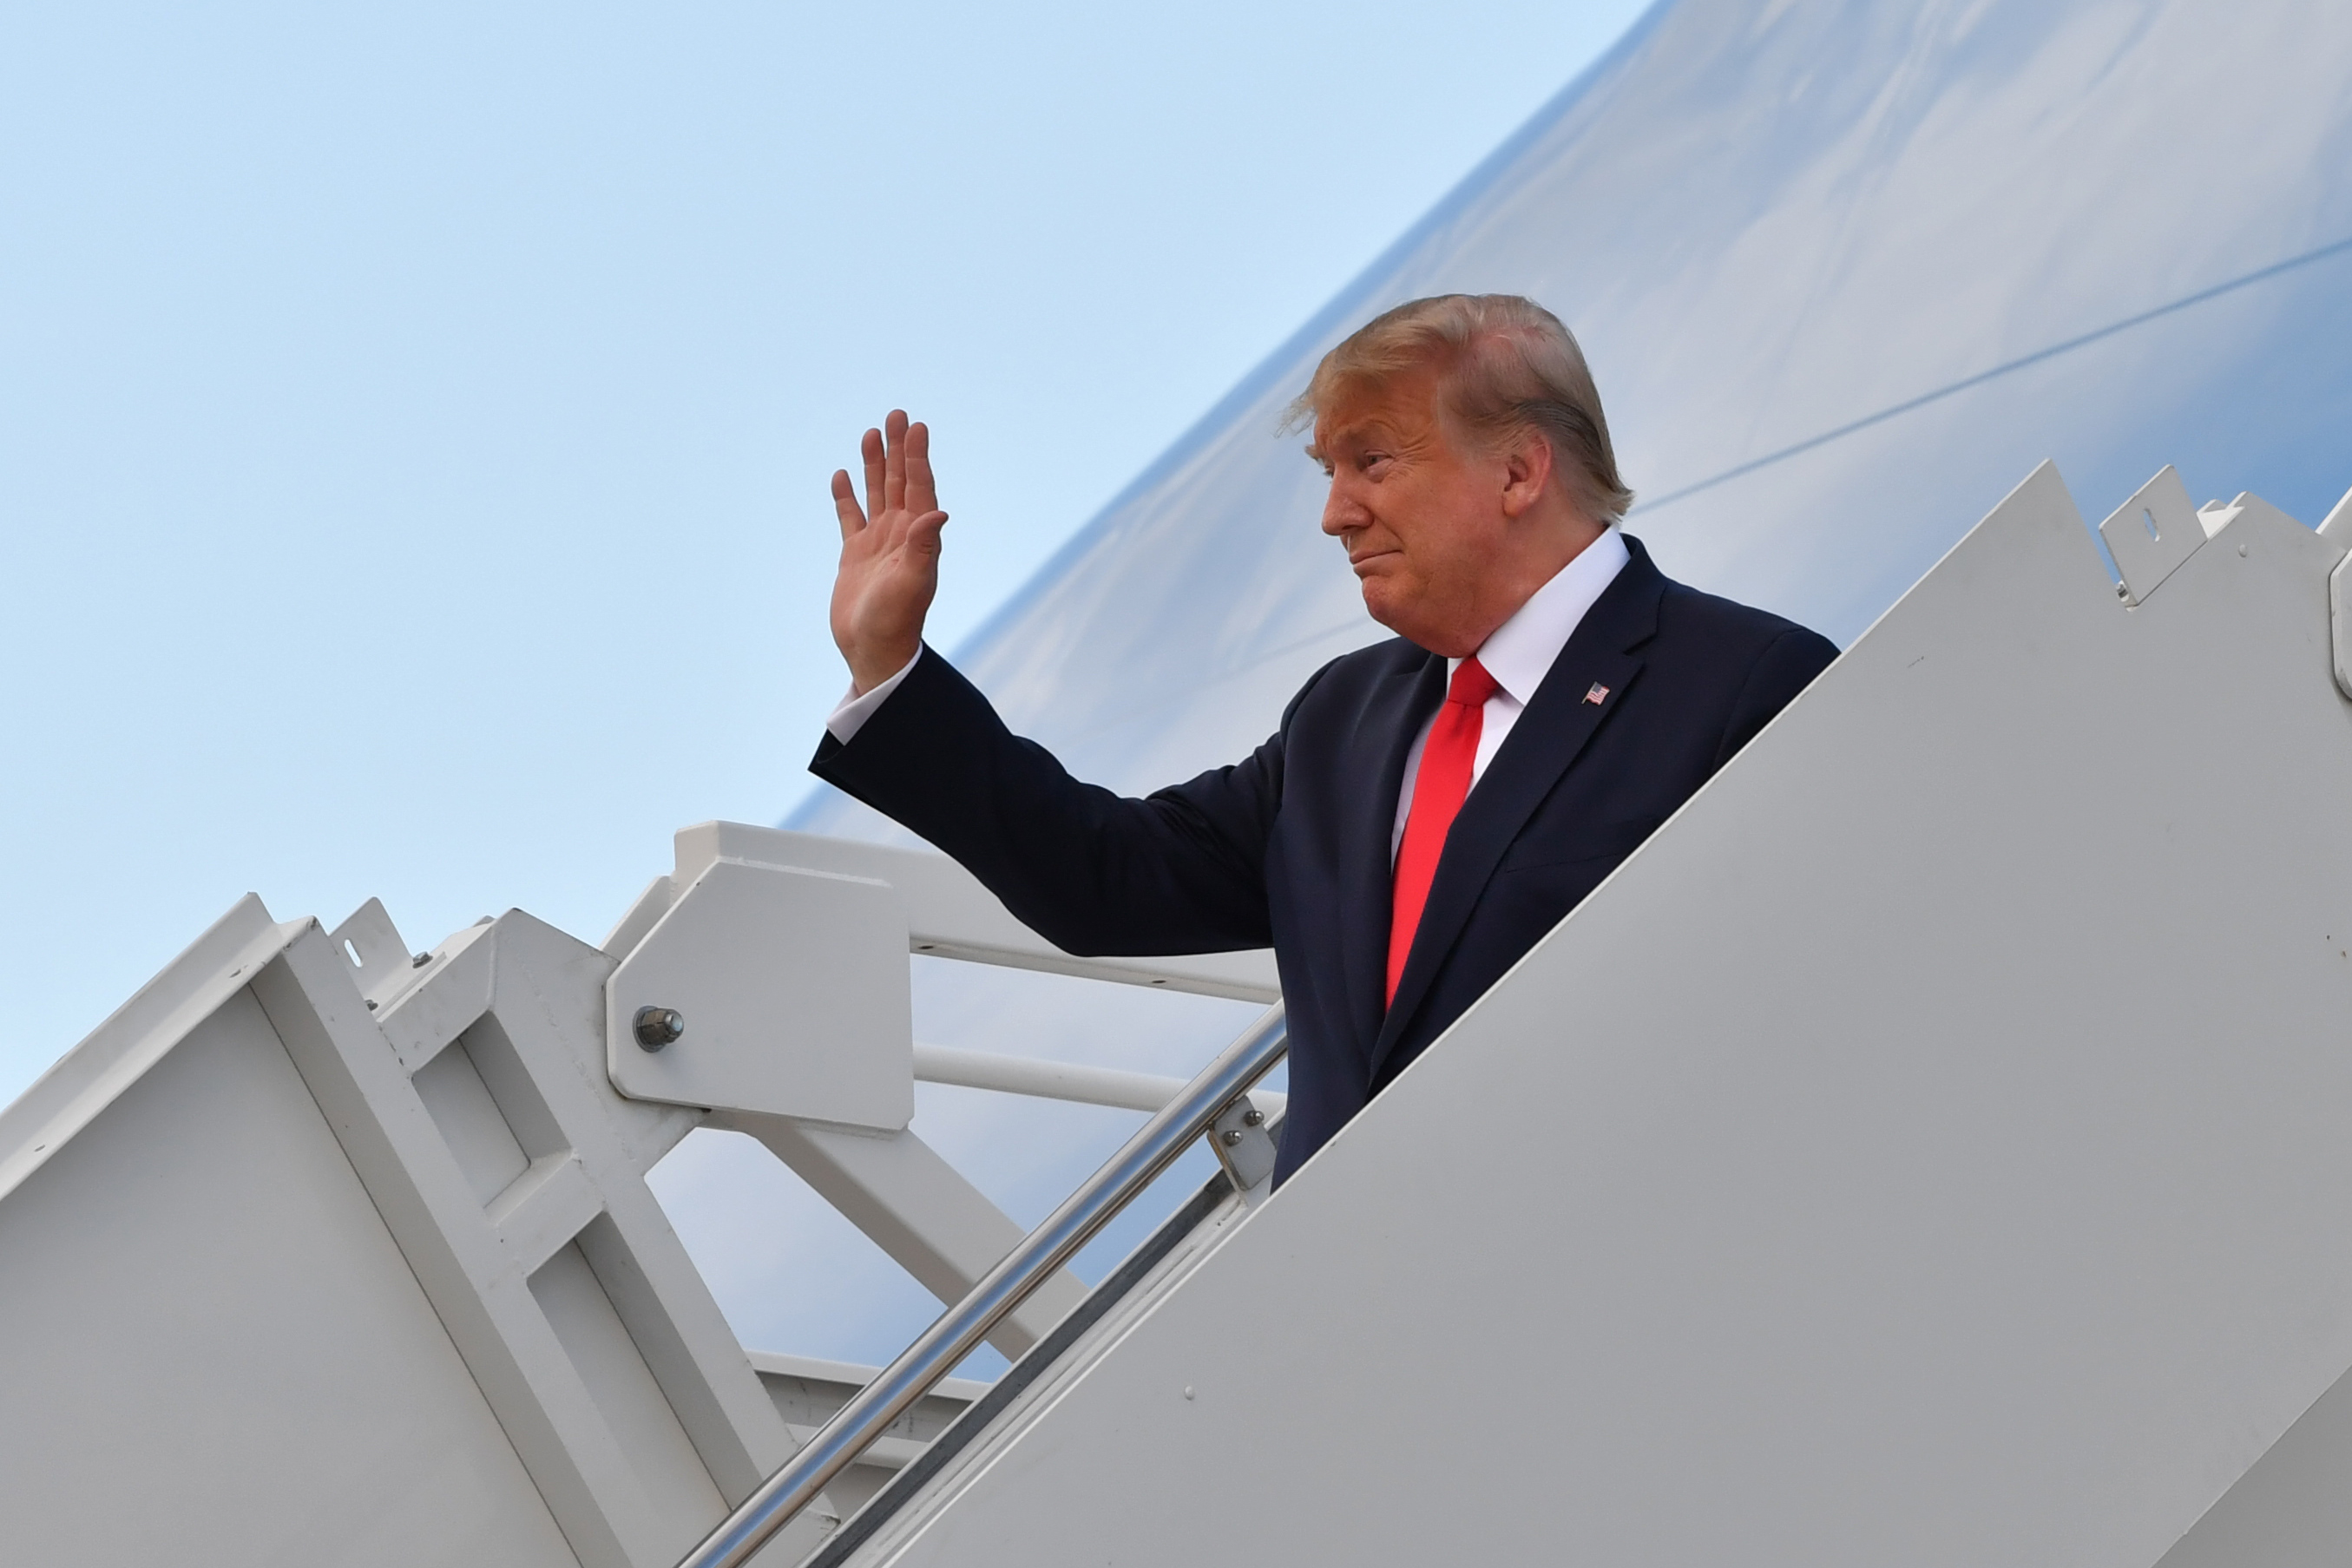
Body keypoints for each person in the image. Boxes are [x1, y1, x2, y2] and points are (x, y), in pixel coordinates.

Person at [811, 294, 1837, 1185]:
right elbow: (1104, 880)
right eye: (1329, 470)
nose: (1335, 515)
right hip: (1352, 1338)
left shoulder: (1746, 686)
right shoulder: (1344, 719)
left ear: (1520, 470)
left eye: (1372, 461)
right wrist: (890, 668)